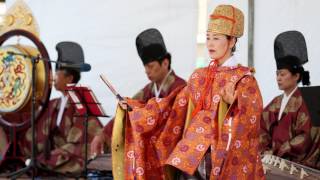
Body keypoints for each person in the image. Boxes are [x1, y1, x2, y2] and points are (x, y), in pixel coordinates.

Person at [112, 5, 265, 180]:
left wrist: (234, 106)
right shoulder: (199, 76)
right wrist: (135, 109)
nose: (210, 43)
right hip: (190, 155)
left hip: (221, 155)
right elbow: (174, 103)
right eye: (208, 38)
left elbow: (251, 120)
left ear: (232, 42)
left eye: (216, 38)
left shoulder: (244, 79)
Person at [0, 42, 103, 174]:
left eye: (57, 73)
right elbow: (32, 120)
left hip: (70, 163)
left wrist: (41, 161)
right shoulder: (54, 103)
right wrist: (6, 114)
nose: (53, 78)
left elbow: (80, 145)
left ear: (69, 78)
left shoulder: (81, 104)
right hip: (50, 161)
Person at [90, 28, 186, 156]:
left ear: (165, 63)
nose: (147, 71)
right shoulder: (149, 89)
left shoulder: (180, 87)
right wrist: (103, 134)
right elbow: (128, 109)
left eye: (151, 66)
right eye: (145, 67)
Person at [260, 31, 314, 166]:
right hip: (272, 161)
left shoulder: (306, 100)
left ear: (296, 76)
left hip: (297, 164)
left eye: (283, 74)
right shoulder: (276, 102)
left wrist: (278, 151)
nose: (278, 78)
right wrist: (266, 150)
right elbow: (262, 127)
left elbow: (306, 136)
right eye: (277, 74)